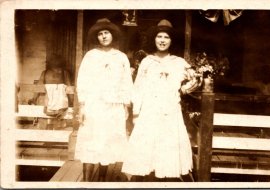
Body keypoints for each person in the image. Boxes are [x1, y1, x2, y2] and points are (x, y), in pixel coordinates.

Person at [121, 19, 198, 181]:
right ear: (154, 39)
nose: (162, 40)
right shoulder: (147, 62)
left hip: (170, 111)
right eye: (159, 37)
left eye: (166, 37)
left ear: (171, 41)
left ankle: (166, 177)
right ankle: (148, 177)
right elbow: (138, 88)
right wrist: (136, 113)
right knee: (148, 146)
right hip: (149, 110)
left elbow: (195, 79)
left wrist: (184, 89)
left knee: (167, 145)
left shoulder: (179, 62)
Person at [74, 18, 133, 182]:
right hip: (94, 105)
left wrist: (126, 105)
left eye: (106, 33)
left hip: (114, 106)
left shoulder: (121, 57)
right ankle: (86, 181)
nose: (104, 36)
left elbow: (126, 82)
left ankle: (101, 179)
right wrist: (82, 105)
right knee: (91, 139)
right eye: (100, 34)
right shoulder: (90, 56)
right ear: (96, 37)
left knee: (107, 141)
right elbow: (82, 80)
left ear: (112, 34)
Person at [28, 54, 73, 129]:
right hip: (61, 105)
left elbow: (38, 89)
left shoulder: (45, 73)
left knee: (49, 121)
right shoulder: (64, 73)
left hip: (49, 105)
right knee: (58, 124)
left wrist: (33, 99)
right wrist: (71, 103)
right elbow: (70, 90)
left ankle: (50, 133)